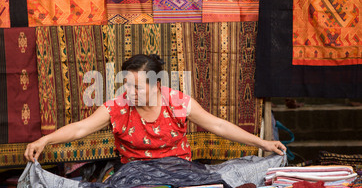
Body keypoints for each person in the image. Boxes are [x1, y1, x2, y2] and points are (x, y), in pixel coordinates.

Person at [24, 54, 286, 163]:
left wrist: (262, 143)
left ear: (157, 84)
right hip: (134, 175)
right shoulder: (118, 106)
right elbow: (81, 128)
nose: (130, 92)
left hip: (178, 170)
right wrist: (45, 139)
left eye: (138, 87)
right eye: (127, 85)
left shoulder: (178, 102)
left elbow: (217, 125)